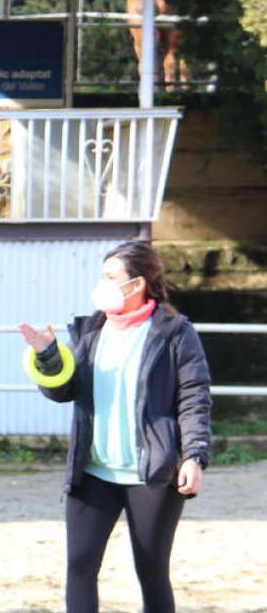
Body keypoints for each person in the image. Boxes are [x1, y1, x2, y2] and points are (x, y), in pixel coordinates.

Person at [17, 241, 212, 613]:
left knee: (152, 572)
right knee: (79, 567)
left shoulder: (175, 333)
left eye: (110, 276)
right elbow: (64, 392)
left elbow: (194, 396)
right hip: (93, 473)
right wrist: (48, 356)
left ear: (136, 284)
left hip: (152, 475)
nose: (101, 284)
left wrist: (194, 455)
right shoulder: (90, 330)